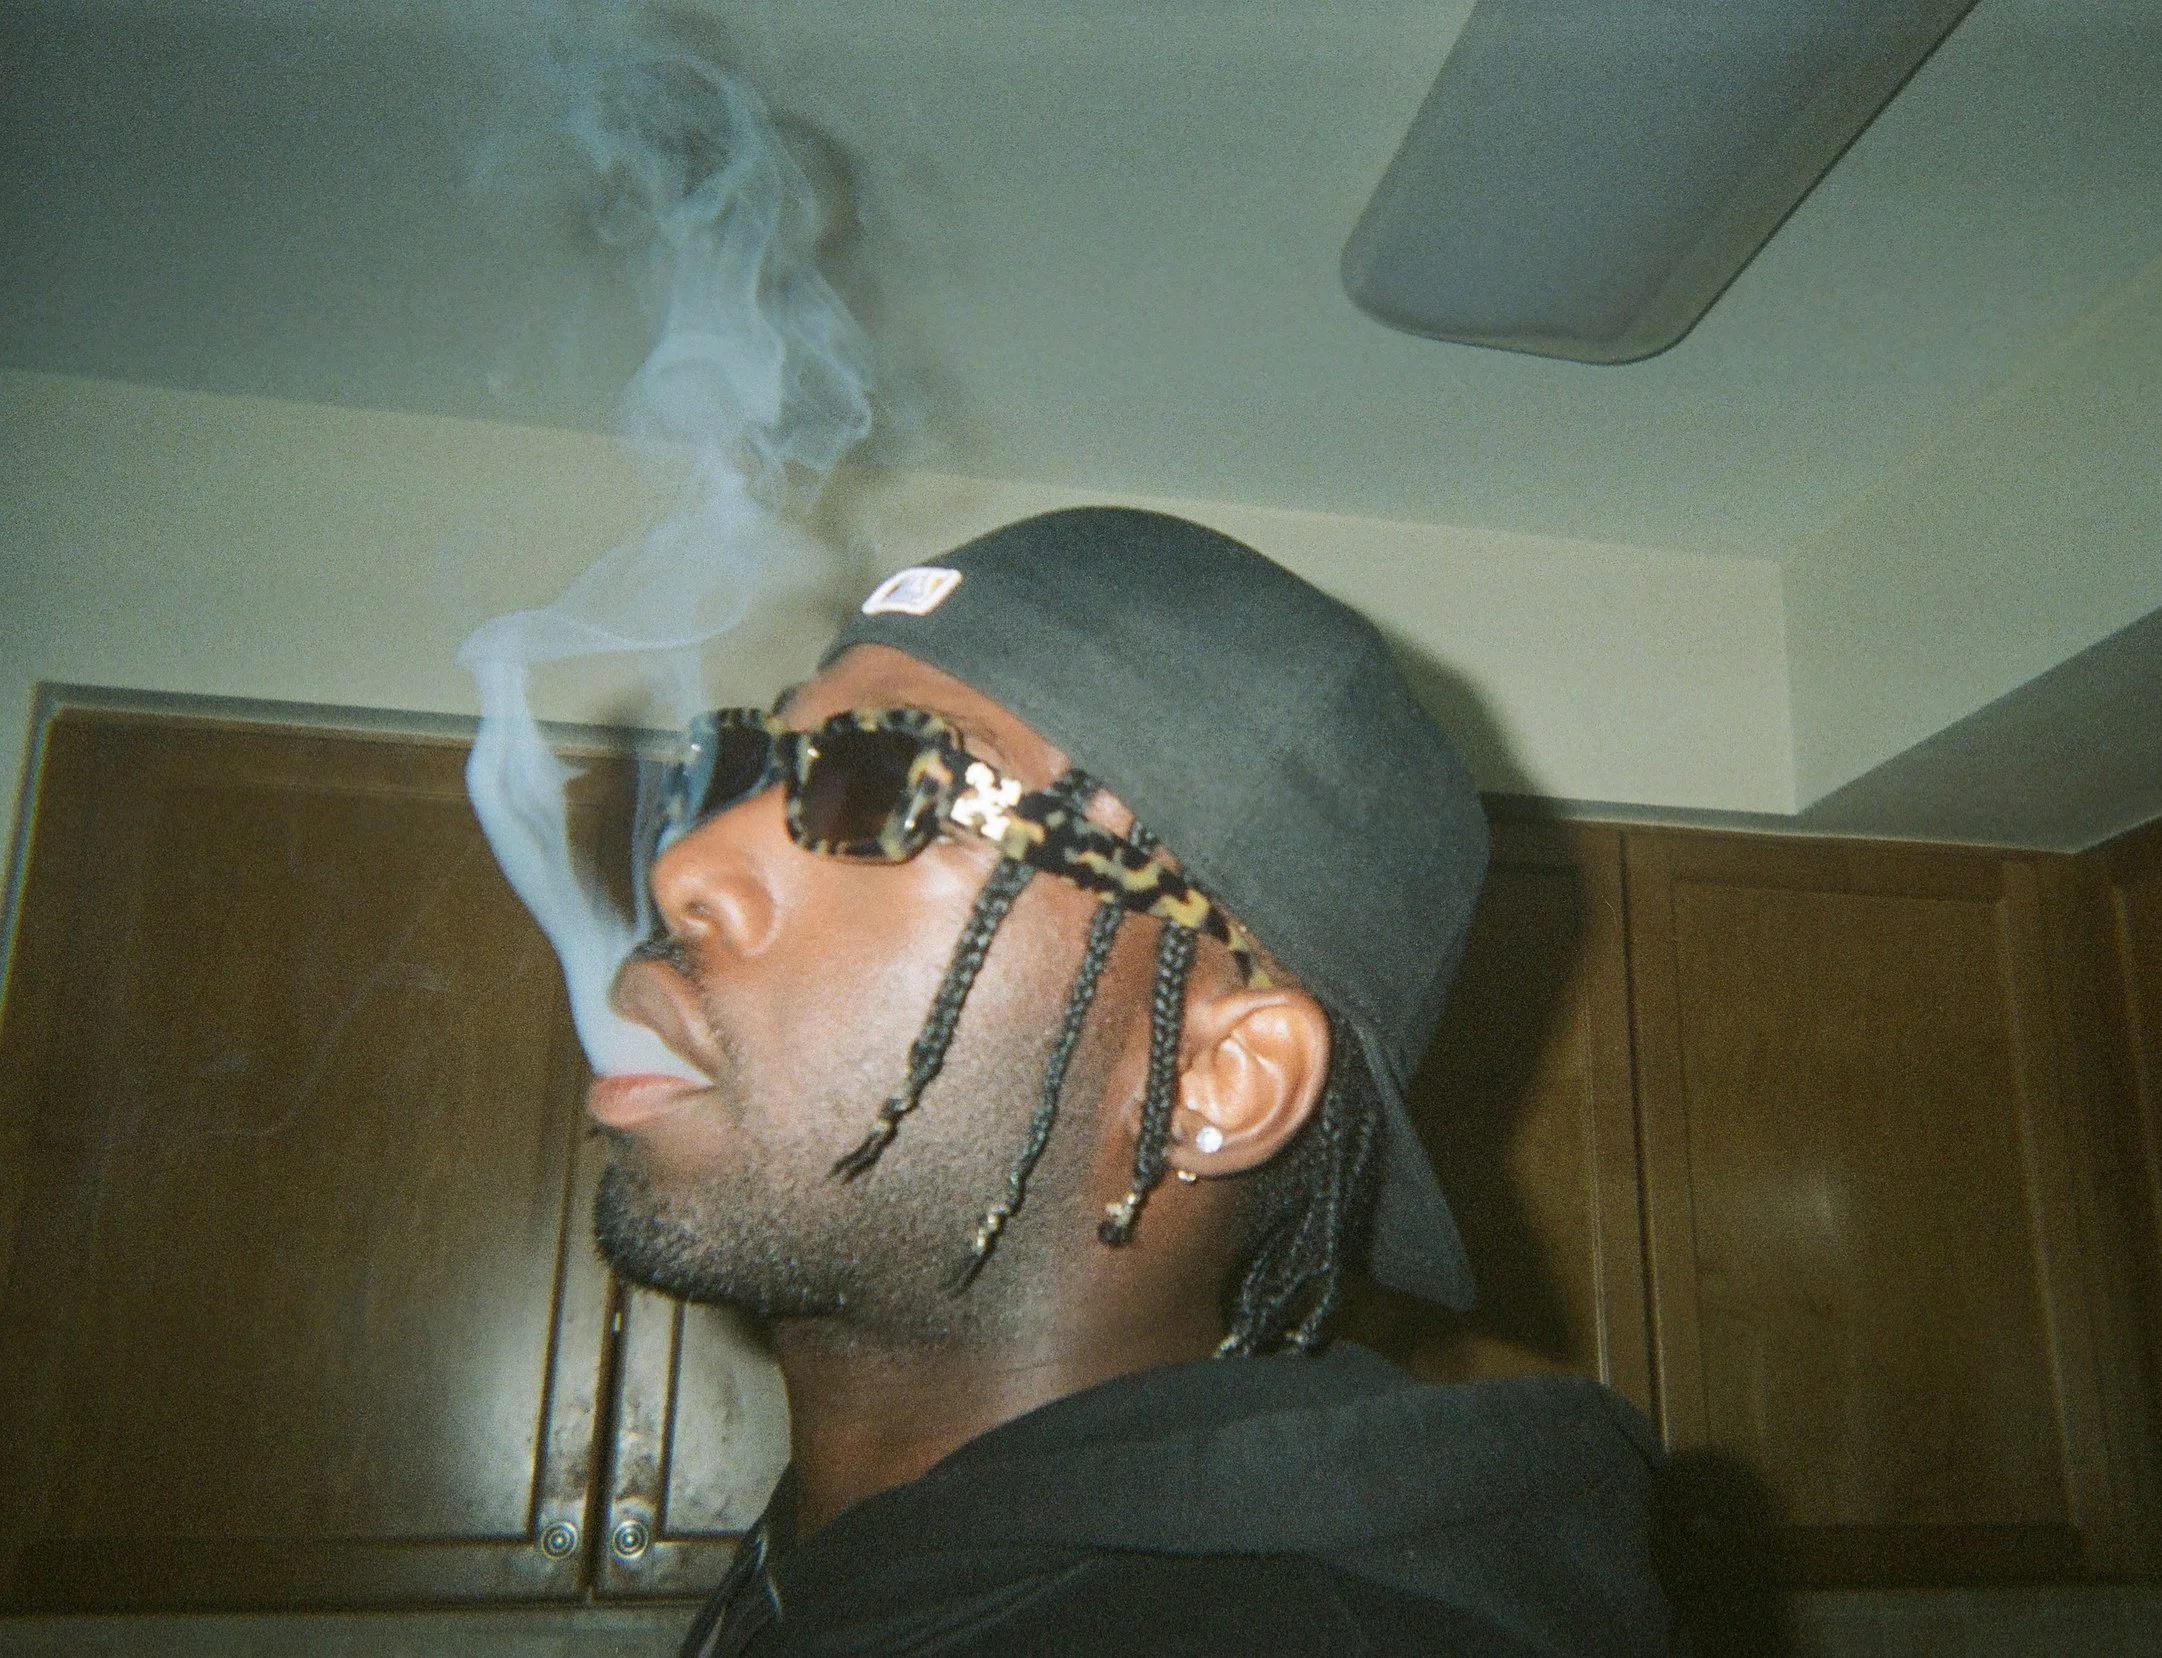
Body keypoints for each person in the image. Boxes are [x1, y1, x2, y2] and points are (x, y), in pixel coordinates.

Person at [593, 506, 1672, 1655]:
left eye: (891, 782)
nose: (686, 865)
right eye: (754, 768)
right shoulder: (814, 1575)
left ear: (1221, 1076)